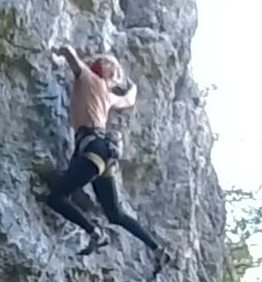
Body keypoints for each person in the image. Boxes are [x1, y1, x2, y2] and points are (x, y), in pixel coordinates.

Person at [42, 44, 168, 270]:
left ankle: (95, 232)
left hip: (92, 147)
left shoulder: (88, 78)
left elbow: (72, 55)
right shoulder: (108, 95)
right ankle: (156, 248)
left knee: (56, 197)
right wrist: (133, 88)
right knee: (115, 213)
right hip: (105, 152)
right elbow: (128, 100)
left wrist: (58, 51)